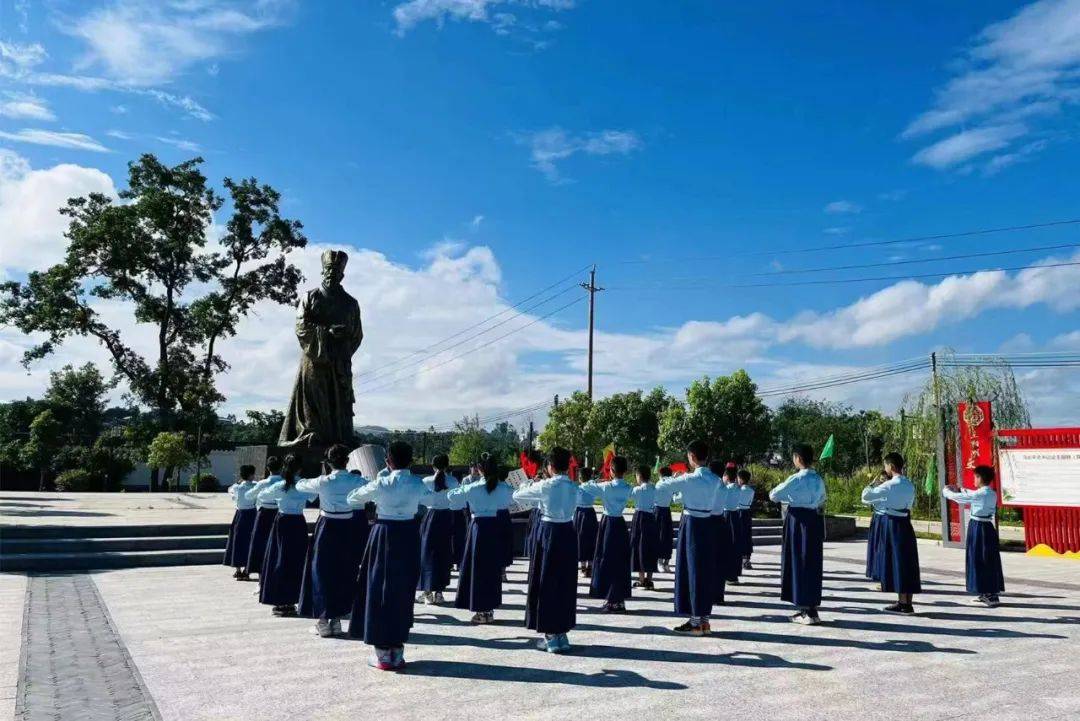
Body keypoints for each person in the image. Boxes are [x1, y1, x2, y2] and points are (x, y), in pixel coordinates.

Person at [346, 441, 435, 671]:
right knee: (403, 589)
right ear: (411, 460)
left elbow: (353, 499)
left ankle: (382, 653)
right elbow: (434, 500)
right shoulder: (417, 483)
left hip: (383, 533)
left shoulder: (382, 482)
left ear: (388, 461)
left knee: (378, 588)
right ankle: (397, 649)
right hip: (408, 534)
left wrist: (381, 480)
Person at [512, 446, 579, 653]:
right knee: (564, 583)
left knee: (546, 581)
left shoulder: (546, 486)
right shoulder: (574, 486)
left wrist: (528, 483)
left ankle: (550, 634)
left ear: (550, 466)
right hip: (568, 531)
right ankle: (562, 633)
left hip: (549, 532)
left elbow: (518, 496)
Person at [296, 444, 367, 637]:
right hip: (348, 527)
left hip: (327, 526)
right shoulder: (357, 480)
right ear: (347, 461)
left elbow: (299, 485)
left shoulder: (323, 481)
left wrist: (323, 474)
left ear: (328, 462)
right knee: (345, 571)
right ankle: (336, 619)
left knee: (321, 571)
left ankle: (322, 620)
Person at [655, 441, 720, 635]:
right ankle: (705, 620)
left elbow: (662, 487)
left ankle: (694, 622)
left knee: (691, 571)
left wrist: (674, 478)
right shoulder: (715, 479)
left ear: (692, 456)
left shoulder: (689, 479)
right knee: (705, 571)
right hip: (707, 523)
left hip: (691, 524)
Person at [447, 455, 513, 624]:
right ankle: (489, 609)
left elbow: (452, 498)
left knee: (477, 570)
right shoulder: (502, 488)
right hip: (495, 526)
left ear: (479, 469)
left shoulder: (473, 487)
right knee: (492, 570)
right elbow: (511, 500)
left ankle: (482, 611)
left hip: (478, 528)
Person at [769, 443, 827, 625]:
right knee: (811, 563)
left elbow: (774, 495)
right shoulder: (818, 479)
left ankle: (805, 610)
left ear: (798, 459)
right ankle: (811, 609)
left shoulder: (796, 479)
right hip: (813, 519)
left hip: (797, 520)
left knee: (797, 562)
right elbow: (822, 499)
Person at [862, 452, 921, 614]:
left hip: (892, 524)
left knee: (897, 562)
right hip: (905, 523)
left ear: (891, 466)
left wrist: (872, 484)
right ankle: (905, 600)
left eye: (886, 465)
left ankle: (904, 604)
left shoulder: (889, 485)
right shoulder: (909, 484)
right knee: (906, 562)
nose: (885, 468)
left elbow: (865, 497)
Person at [943, 464, 1005, 607]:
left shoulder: (980, 494)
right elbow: (970, 493)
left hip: (978, 528)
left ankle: (989, 594)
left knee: (980, 559)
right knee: (987, 559)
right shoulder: (991, 493)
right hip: (987, 527)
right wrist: (960, 489)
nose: (974, 479)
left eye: (975, 477)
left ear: (980, 478)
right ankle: (987, 592)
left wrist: (946, 491)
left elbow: (960, 498)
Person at [257, 455, 311, 617]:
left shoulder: (280, 485)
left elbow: (262, 496)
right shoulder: (303, 485)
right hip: (298, 522)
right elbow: (314, 497)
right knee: (297, 560)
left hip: (282, 522)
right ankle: (295, 598)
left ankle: (281, 599)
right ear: (300, 468)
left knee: (279, 559)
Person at [580, 455, 633, 613]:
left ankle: (610, 599)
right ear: (625, 471)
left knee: (606, 559)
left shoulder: (606, 487)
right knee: (620, 561)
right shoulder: (628, 487)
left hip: (608, 522)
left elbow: (585, 486)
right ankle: (619, 600)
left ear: (611, 470)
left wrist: (597, 480)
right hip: (620, 523)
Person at [416, 454, 459, 605]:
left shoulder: (426, 481)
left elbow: (419, 499)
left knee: (427, 553)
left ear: (432, 466)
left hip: (431, 516)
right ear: (447, 466)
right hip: (447, 517)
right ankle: (439, 593)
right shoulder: (453, 481)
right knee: (444, 553)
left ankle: (427, 592)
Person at [244, 458, 284, 582]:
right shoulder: (285, 482)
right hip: (280, 513)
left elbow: (248, 496)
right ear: (281, 468)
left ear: (268, 468)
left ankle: (261, 578)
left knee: (260, 543)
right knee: (278, 544)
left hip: (264, 514)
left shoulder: (262, 483)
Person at [222, 464, 258, 580]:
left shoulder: (237, 488)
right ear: (251, 475)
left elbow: (230, 490)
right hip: (252, 514)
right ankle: (247, 570)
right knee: (250, 541)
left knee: (237, 541)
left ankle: (238, 570)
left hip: (240, 515)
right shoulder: (256, 486)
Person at [708, 461, 736, 603]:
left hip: (708, 521)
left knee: (707, 560)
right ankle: (718, 594)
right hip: (720, 521)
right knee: (719, 560)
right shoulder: (724, 487)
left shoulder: (708, 486)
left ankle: (708, 593)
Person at [630, 464, 660, 590]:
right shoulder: (655, 488)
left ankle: (641, 579)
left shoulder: (637, 490)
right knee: (650, 546)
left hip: (639, 517)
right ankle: (649, 578)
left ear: (639, 476)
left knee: (638, 546)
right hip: (651, 517)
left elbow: (629, 496)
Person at [863, 470, 889, 585]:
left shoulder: (881, 490)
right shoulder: (884, 489)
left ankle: (882, 575)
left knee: (881, 548)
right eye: (880, 479)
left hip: (882, 519)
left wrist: (871, 485)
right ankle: (880, 574)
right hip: (880, 518)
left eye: (883, 479)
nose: (881, 481)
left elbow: (864, 498)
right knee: (878, 547)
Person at [573, 467, 599, 578]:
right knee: (591, 538)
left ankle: (583, 567)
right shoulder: (593, 488)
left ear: (580, 478)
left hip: (579, 513)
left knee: (580, 539)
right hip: (590, 512)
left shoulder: (578, 488)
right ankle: (590, 566)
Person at [654, 466, 675, 573]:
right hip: (660, 510)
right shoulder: (662, 483)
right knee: (661, 536)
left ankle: (665, 562)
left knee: (666, 536)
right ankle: (660, 562)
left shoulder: (665, 482)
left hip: (665, 510)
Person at [735, 469, 755, 571]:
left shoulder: (739, 490)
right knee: (747, 535)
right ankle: (747, 558)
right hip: (747, 513)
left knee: (739, 535)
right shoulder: (751, 491)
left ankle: (739, 558)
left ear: (741, 479)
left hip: (739, 513)